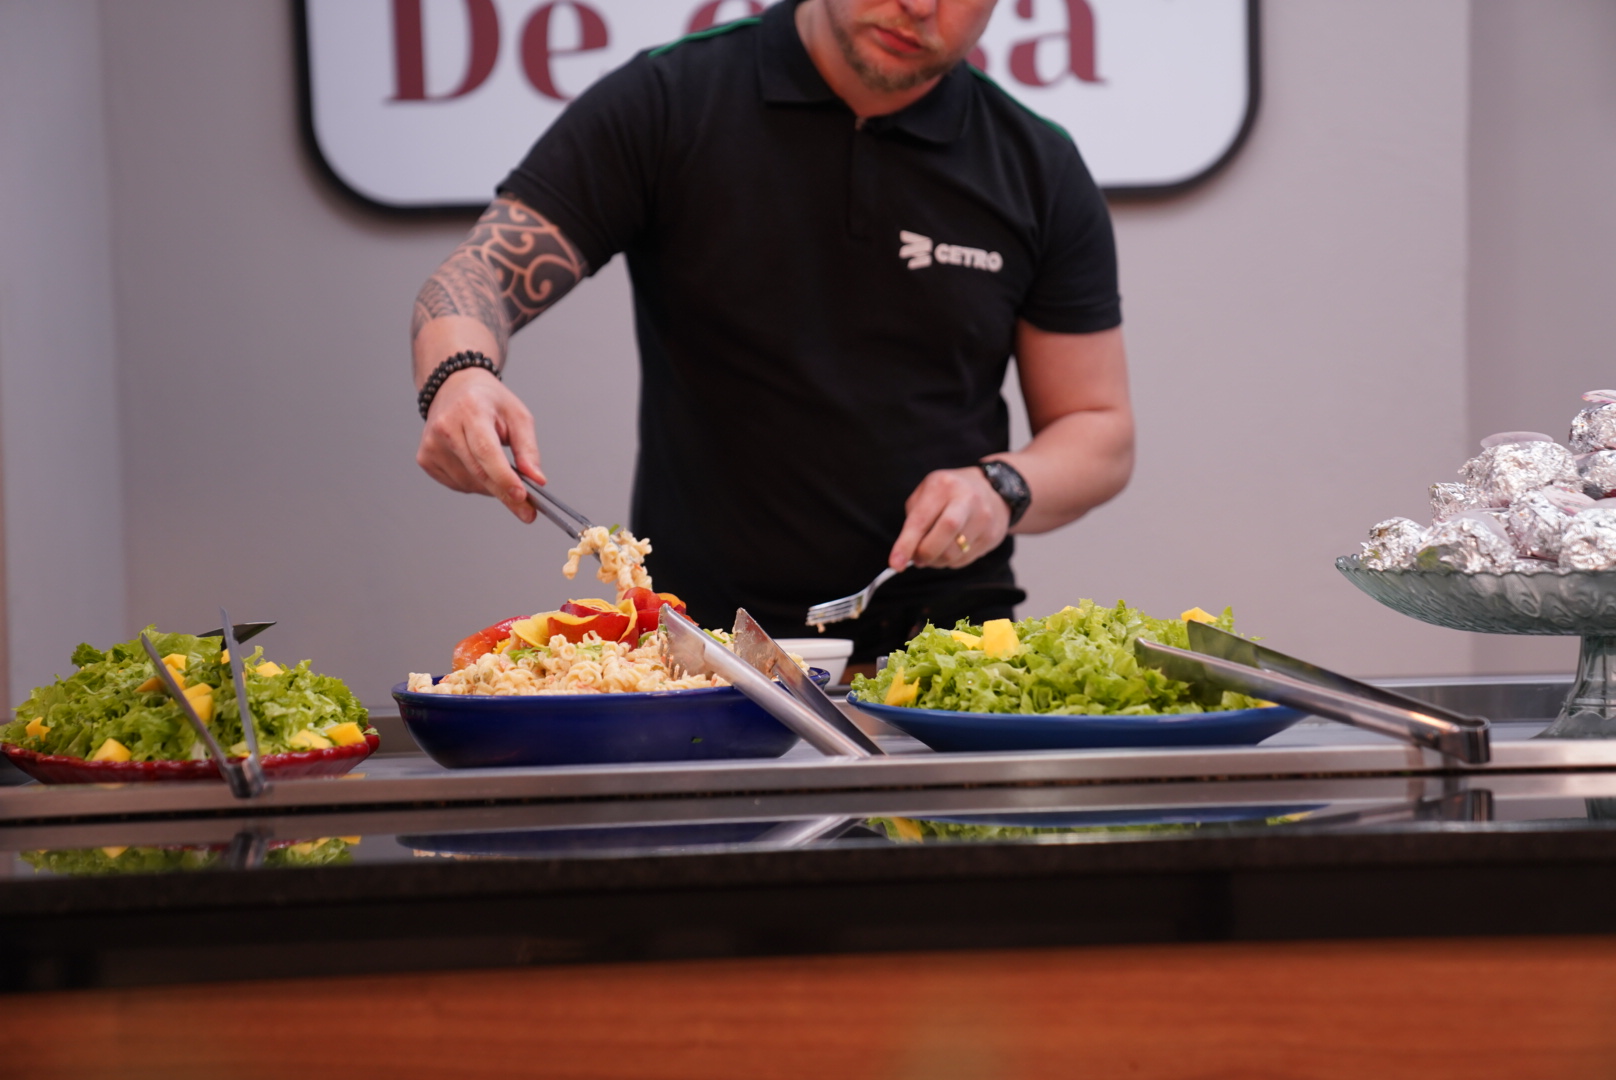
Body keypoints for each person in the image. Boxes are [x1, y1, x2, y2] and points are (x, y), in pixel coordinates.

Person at [410, 0, 1134, 665]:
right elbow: (476, 280)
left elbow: (1099, 430)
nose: (918, 5)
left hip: (949, 654)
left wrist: (1002, 485)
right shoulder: (670, 100)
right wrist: (459, 375)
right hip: (707, 652)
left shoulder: (1036, 163)